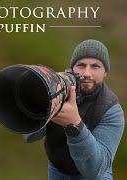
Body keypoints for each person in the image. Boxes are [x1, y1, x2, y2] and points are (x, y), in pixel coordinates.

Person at [23, 39, 125, 179]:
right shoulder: (59, 90)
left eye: (95, 66)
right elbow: (29, 136)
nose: (86, 73)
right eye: (81, 65)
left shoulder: (112, 110)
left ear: (105, 72)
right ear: (72, 68)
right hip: (58, 169)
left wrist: (75, 125)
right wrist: (43, 99)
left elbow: (96, 169)